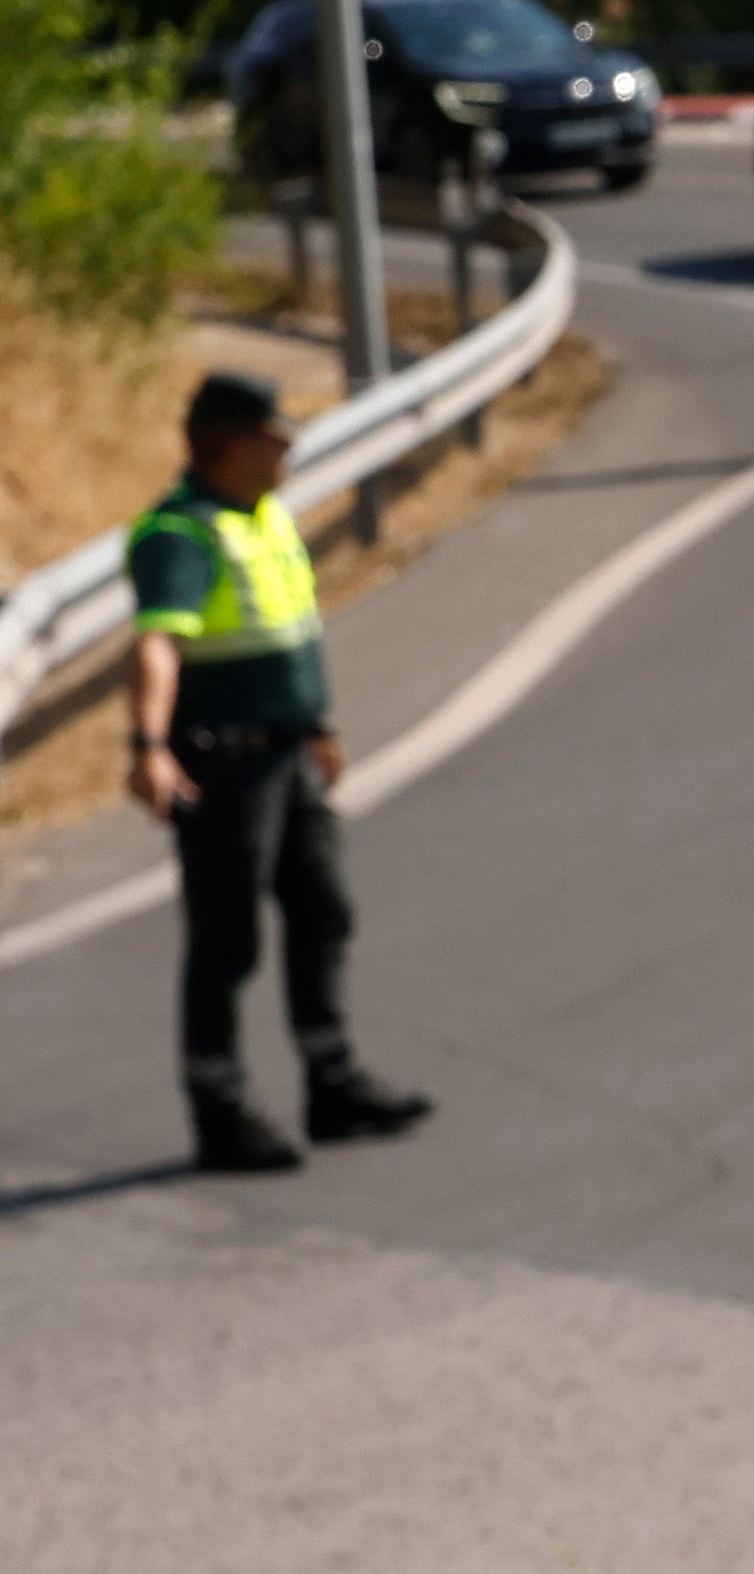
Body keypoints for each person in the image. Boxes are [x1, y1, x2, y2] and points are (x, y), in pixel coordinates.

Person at [124, 372, 431, 1175]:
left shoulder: (261, 519)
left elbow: (285, 634)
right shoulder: (183, 534)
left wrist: (317, 727)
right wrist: (148, 745)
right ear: (230, 442)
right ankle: (219, 1111)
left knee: (323, 911)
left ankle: (334, 1085)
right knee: (227, 938)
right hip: (225, 762)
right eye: (275, 435)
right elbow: (157, 642)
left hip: (288, 754)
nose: (290, 447)